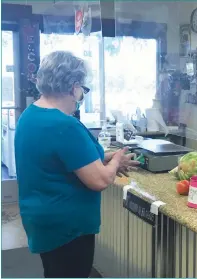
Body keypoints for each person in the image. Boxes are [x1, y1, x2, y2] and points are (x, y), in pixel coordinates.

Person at [14, 51, 139, 278]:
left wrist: (101, 160)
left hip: (42, 219)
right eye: (83, 88)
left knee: (54, 271)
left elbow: (56, 162)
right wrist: (117, 159)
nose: (81, 94)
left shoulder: (30, 116)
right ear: (73, 87)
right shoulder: (63, 124)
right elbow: (99, 180)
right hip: (67, 227)